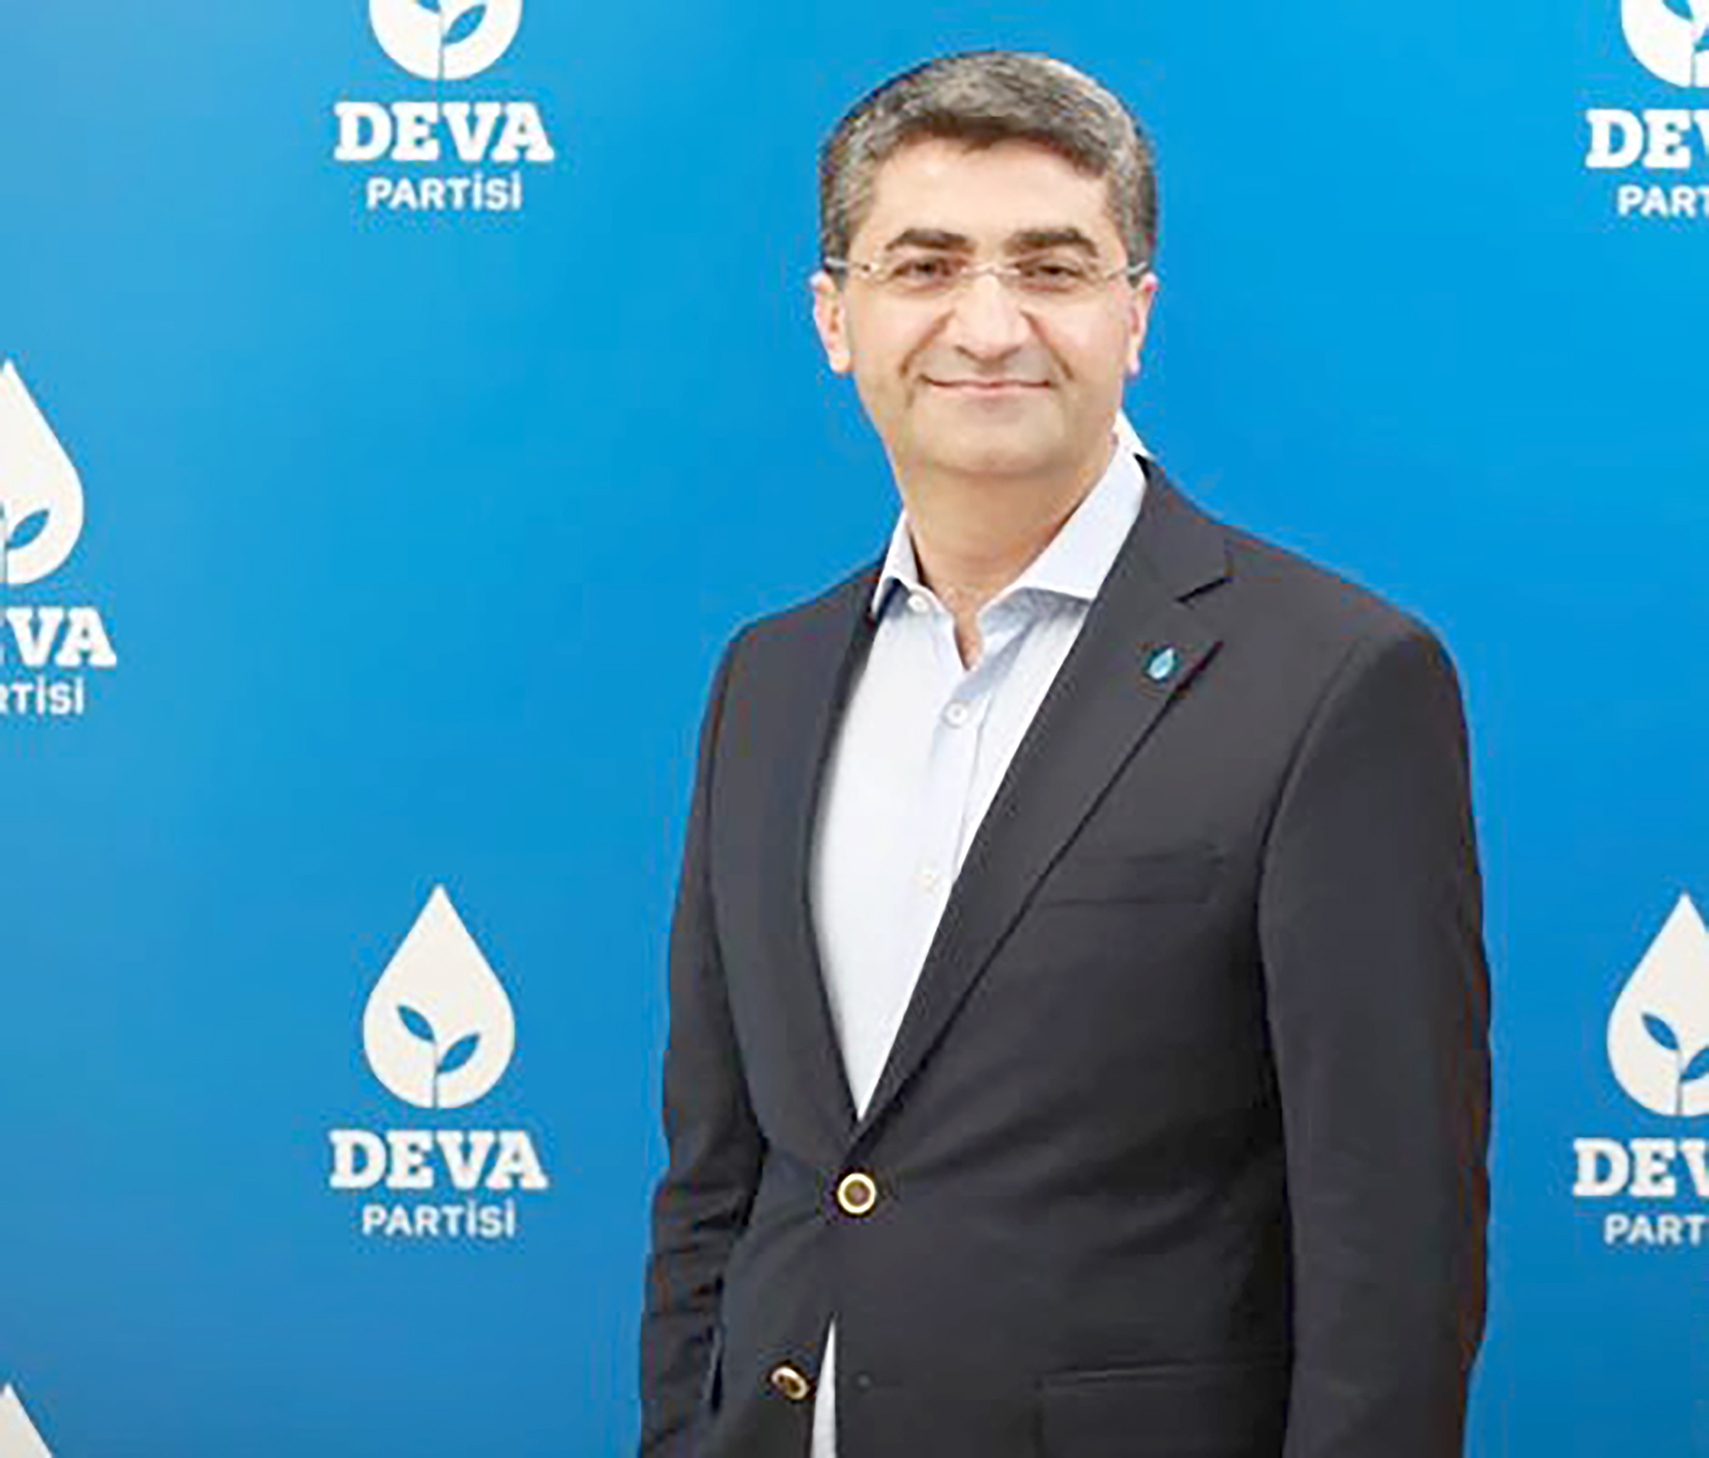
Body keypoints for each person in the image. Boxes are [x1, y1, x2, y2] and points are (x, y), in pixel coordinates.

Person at [639, 50, 1490, 1458]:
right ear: (835, 316)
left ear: (1133, 314)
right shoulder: (766, 682)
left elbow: (1392, 1251)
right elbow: (717, 1181)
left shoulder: (1337, 679)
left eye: (1050, 268)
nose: (988, 325)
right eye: (925, 266)